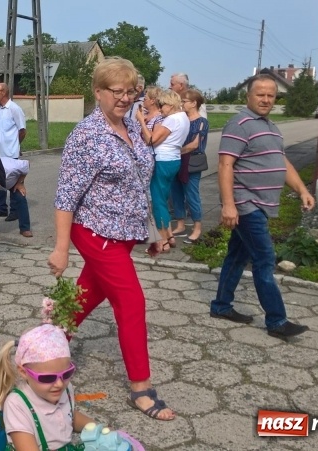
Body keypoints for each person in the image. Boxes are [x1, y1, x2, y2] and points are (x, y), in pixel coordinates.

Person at [48, 57, 175, 421]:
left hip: (124, 234)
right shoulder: (86, 135)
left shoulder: (135, 128)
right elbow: (66, 196)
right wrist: (60, 249)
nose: (124, 98)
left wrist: (153, 231)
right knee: (131, 301)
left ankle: (41, 349)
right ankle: (141, 388)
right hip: (94, 232)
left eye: (130, 91)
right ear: (98, 92)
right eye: (116, 91)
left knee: (83, 300)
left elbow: (141, 182)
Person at [212, 74, 313, 339]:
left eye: (271, 95)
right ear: (248, 96)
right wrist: (229, 205)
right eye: (261, 94)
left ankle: (221, 306)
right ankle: (277, 321)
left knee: (237, 256)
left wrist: (302, 189)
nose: (266, 99)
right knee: (264, 259)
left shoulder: (270, 126)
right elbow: (225, 165)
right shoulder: (239, 124)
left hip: (260, 203)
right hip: (247, 203)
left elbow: (281, 161)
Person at [0, 324, 93, 450]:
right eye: (48, 378)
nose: (59, 383)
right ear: (24, 372)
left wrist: (99, 429)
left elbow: (68, 415)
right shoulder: (17, 404)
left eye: (66, 374)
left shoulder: (64, 388)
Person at [142, 89, 190, 252]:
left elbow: (150, 140)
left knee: (158, 201)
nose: (161, 109)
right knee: (163, 196)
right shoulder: (184, 117)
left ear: (170, 105)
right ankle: (169, 235)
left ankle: (162, 241)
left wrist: (141, 121)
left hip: (162, 160)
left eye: (162, 105)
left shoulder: (171, 120)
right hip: (174, 159)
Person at [171, 89, 209, 244]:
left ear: (194, 103)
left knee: (192, 194)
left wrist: (174, 150)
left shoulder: (201, 122)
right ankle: (180, 224)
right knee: (176, 194)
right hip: (177, 160)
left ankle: (197, 227)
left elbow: (194, 144)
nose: (182, 104)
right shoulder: (181, 119)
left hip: (191, 162)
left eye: (184, 101)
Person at [0, 82, 26, 221]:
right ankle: (2, 208)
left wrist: (15, 144)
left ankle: (15, 211)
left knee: (13, 183)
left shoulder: (14, 109)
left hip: (11, 153)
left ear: (3, 92)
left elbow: (22, 131)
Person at [0, 156, 32, 239]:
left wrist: (20, 183)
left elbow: (27, 164)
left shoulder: (12, 167)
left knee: (21, 198)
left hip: (12, 182)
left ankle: (25, 228)